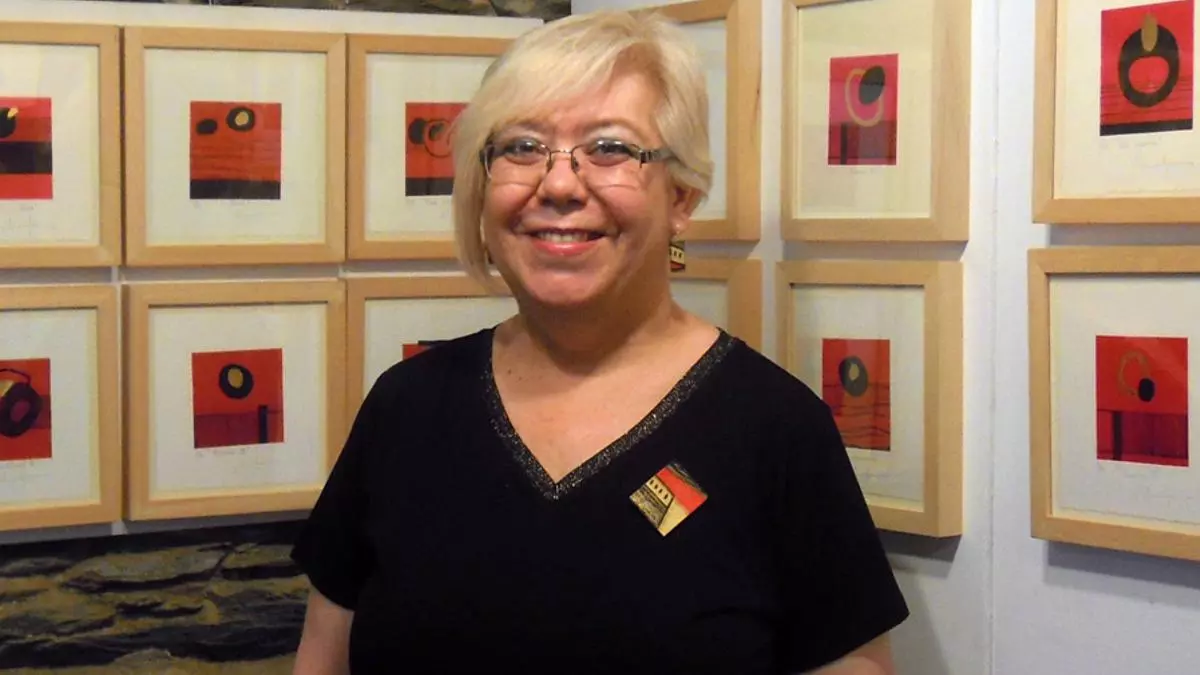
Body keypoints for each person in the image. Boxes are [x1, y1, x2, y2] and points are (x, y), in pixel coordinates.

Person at [290, 8, 908, 675]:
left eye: (610, 148)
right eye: (522, 147)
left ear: (682, 195)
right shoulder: (407, 406)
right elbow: (324, 656)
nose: (558, 184)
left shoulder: (775, 429)